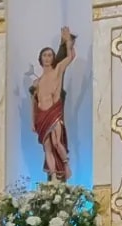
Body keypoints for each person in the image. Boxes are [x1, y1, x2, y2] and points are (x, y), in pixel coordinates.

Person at [30, 30, 77, 182]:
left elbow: (70, 57)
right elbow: (34, 104)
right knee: (48, 148)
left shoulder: (57, 71)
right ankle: (53, 176)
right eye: (44, 55)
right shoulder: (36, 82)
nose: (47, 58)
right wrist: (32, 122)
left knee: (57, 142)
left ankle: (66, 166)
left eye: (50, 55)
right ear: (40, 59)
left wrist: (68, 42)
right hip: (41, 116)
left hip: (54, 112)